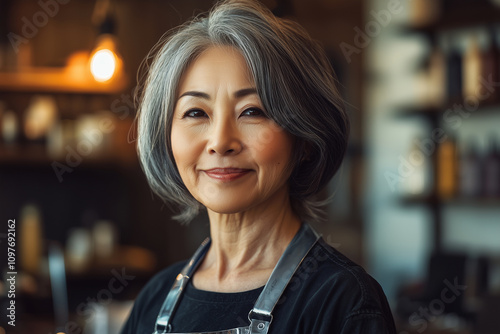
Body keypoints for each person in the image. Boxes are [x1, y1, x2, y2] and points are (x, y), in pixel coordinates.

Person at [121, 0, 396, 333]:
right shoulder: (153, 299)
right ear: (166, 135)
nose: (221, 141)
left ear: (305, 139)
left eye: (253, 111)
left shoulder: (343, 301)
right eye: (196, 113)